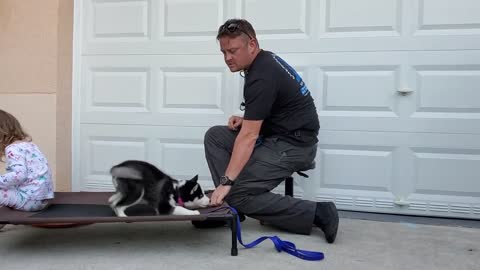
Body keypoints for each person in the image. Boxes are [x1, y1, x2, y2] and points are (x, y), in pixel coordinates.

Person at [198, 19, 339, 243]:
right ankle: (230, 208)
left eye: (233, 51)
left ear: (251, 44)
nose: (227, 58)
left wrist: (227, 182)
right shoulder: (264, 62)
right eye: (223, 52)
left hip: (294, 145)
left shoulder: (262, 75)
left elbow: (249, 136)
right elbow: (275, 112)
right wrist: (247, 120)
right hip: (279, 135)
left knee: (238, 193)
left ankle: (318, 213)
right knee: (216, 136)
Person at [0, 109, 54, 213]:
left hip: (30, 201)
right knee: (7, 190)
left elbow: (19, 176)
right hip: (43, 199)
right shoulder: (30, 145)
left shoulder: (12, 149)